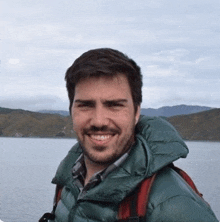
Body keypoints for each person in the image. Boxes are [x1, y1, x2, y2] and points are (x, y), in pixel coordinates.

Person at [46, 48, 218, 221]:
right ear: (71, 111)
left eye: (114, 105)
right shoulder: (69, 179)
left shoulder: (173, 204)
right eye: (85, 105)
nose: (99, 121)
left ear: (136, 113)